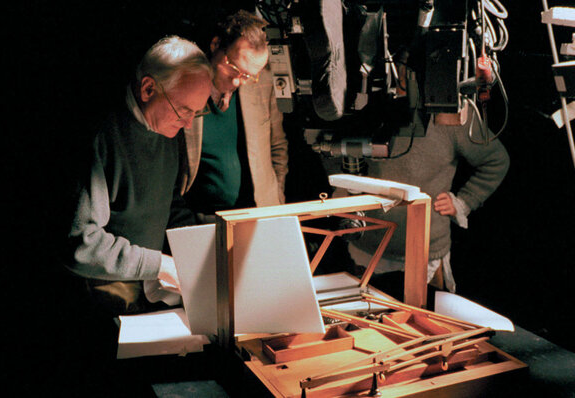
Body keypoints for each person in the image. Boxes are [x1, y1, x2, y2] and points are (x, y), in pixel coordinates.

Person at [65, 35, 213, 316]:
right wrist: (160, 265)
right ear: (148, 89)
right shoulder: (101, 135)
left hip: (145, 294)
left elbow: (168, 206)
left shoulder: (167, 127)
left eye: (198, 111)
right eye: (184, 110)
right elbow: (80, 242)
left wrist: (205, 244)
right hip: (97, 302)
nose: (189, 123)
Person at [324, 102, 510, 297]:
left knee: (425, 320)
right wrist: (345, 186)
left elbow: (496, 160)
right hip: (368, 247)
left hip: (425, 251)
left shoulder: (451, 110)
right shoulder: (363, 101)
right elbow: (332, 150)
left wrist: (464, 201)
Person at [182, 10, 288, 219]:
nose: (237, 81)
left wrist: (276, 200)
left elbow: (278, 147)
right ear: (215, 46)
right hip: (200, 218)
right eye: (232, 69)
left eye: (249, 76)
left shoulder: (263, 84)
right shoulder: (183, 86)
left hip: (260, 213)